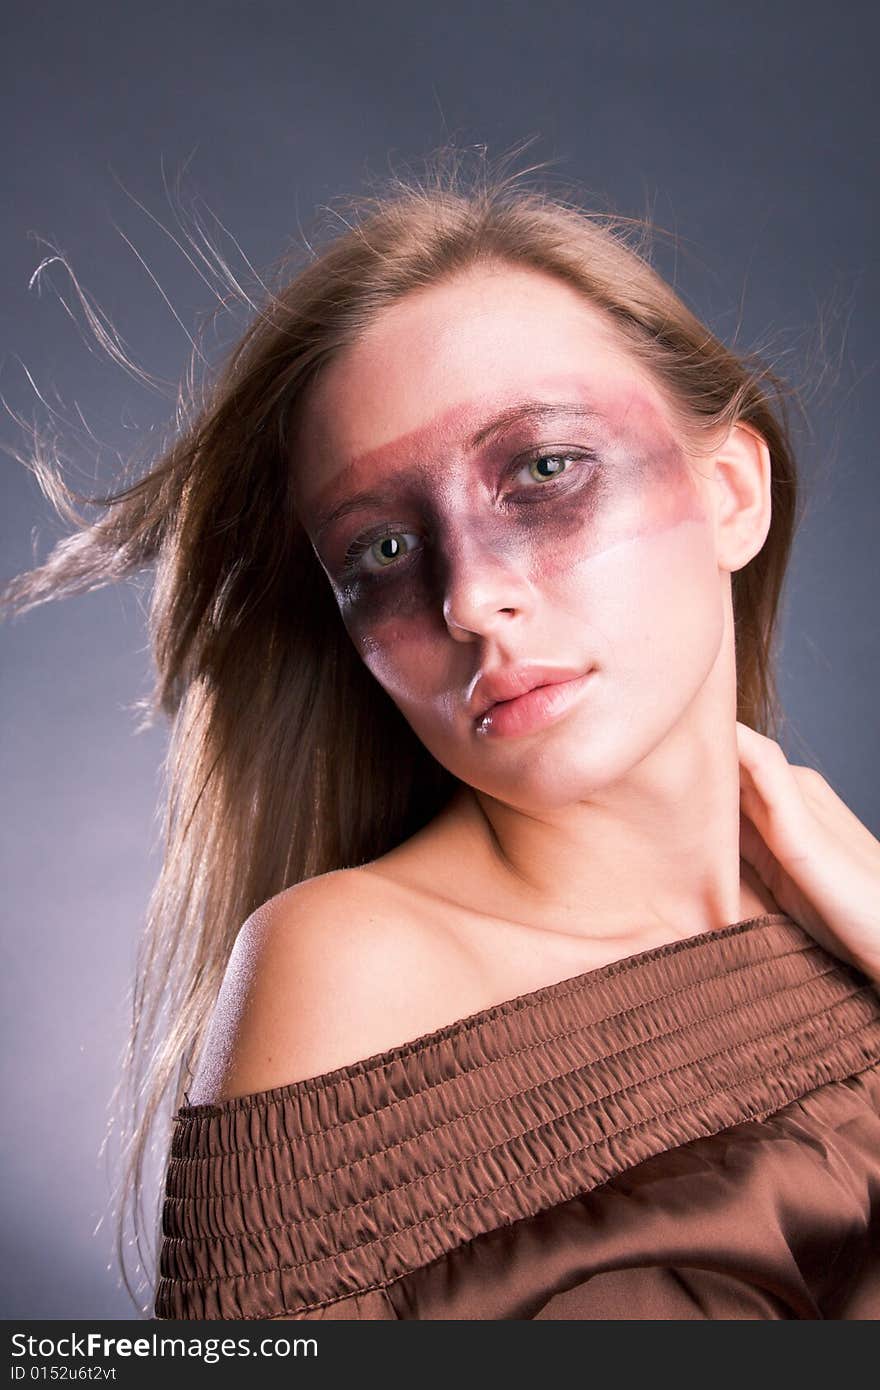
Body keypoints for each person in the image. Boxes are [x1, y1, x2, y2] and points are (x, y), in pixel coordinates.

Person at [5, 147, 879, 1321]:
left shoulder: (846, 928)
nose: (469, 598)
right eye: (381, 548)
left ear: (730, 493)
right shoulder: (347, 970)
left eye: (545, 469)